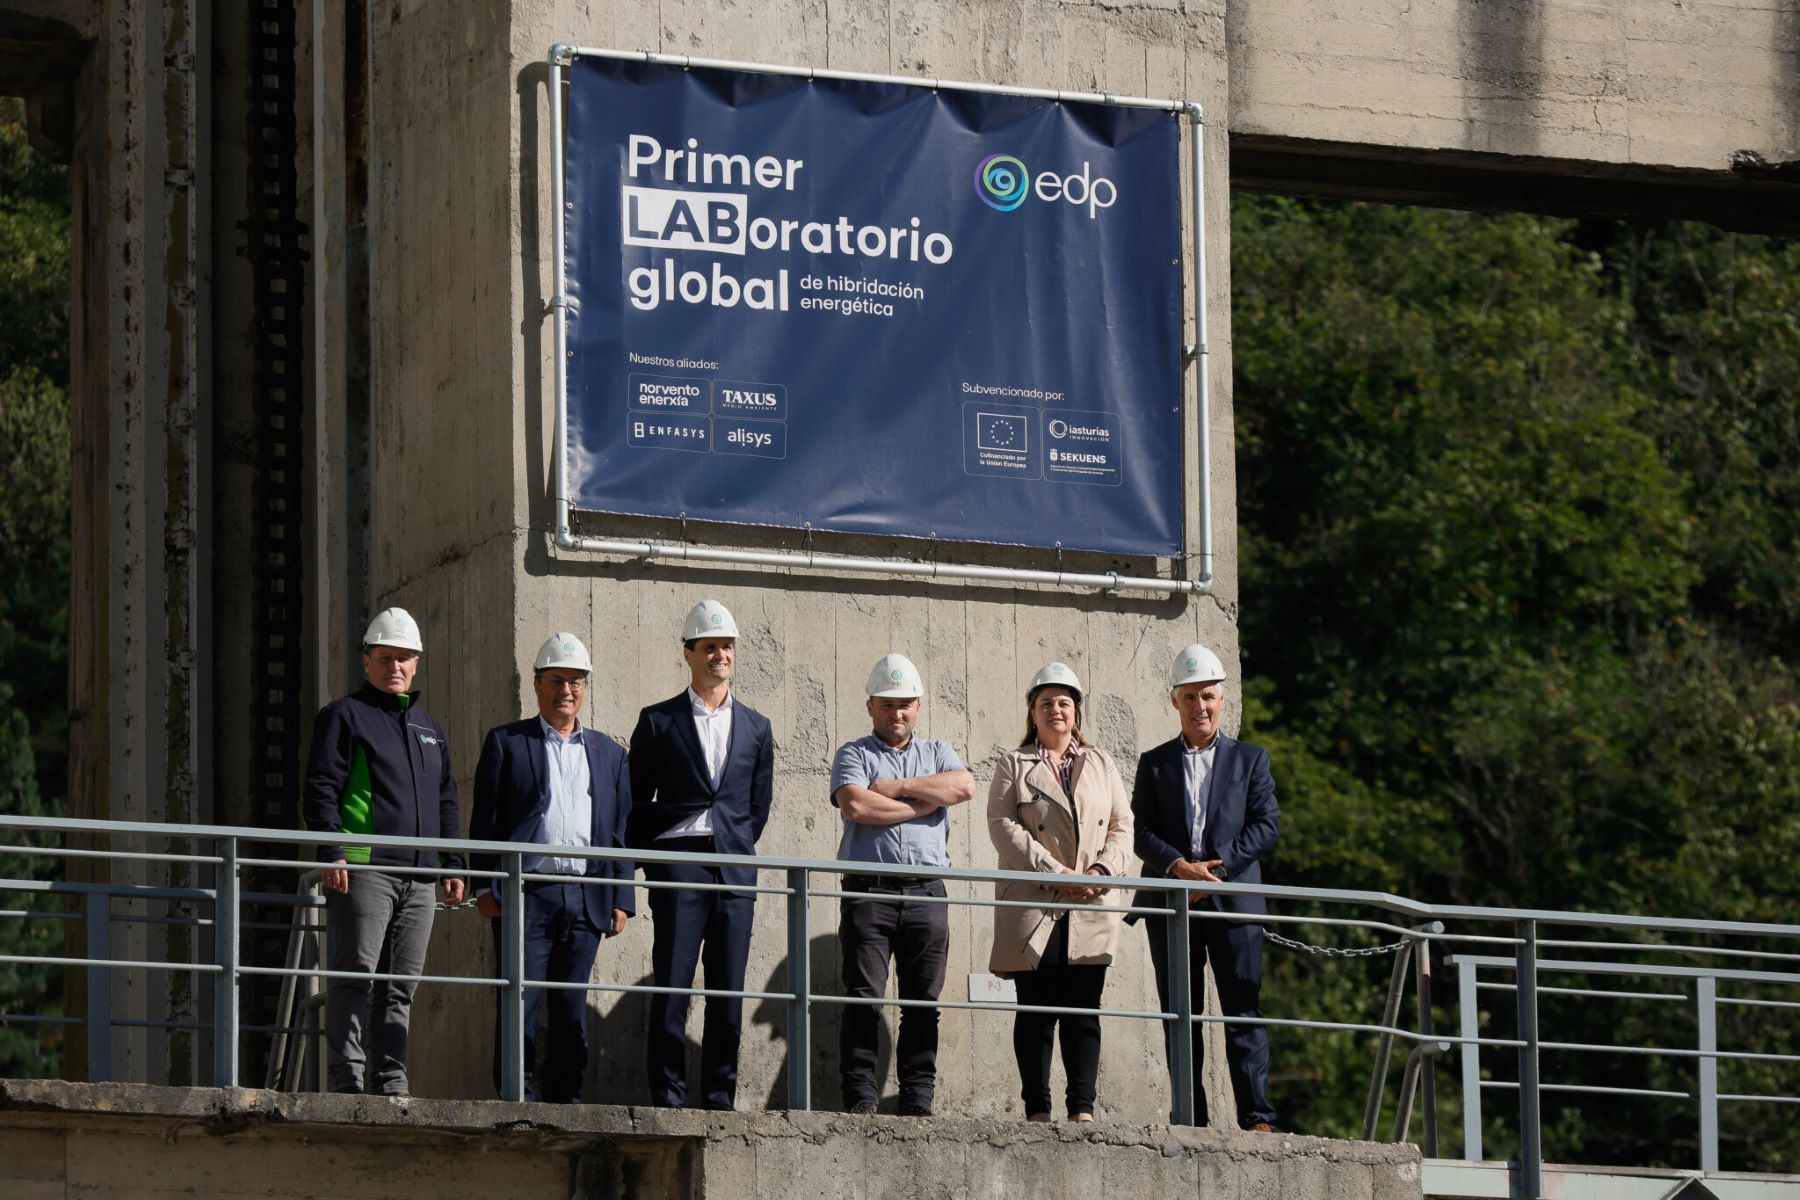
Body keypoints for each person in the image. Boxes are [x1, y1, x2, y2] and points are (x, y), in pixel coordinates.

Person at [302, 606, 465, 1096]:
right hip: (365, 870)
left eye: (404, 658)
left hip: (420, 877)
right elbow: (321, 788)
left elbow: (447, 800)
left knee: (402, 987)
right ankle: (348, 1080)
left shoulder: (430, 729)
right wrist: (332, 850)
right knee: (355, 978)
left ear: (417, 663)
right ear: (366, 661)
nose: (395, 666)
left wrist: (453, 864)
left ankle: (390, 1078)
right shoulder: (343, 716)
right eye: (385, 657)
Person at [469, 632, 634, 1103]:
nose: (567, 690)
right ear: (538, 685)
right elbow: (485, 821)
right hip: (525, 892)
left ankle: (566, 1102)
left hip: (585, 895)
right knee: (518, 1000)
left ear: (585, 688)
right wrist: (485, 885)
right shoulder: (507, 742)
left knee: (569, 1008)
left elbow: (617, 831)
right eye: (556, 680)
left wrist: (622, 897)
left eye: (576, 681)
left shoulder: (610, 754)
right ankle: (515, 1099)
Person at [627, 599, 775, 1110]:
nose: (720, 655)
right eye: (709, 647)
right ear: (688, 653)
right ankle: (667, 1097)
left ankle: (719, 1099)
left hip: (733, 865)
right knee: (672, 985)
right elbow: (634, 802)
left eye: (727, 647)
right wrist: (657, 856)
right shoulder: (657, 721)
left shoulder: (756, 726)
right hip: (679, 861)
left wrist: (733, 842)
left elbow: (758, 806)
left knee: (728, 992)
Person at [1130, 644, 1280, 1132]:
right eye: (1190, 697)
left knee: (1244, 1011)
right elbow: (1140, 831)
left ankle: (1257, 1116)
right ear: (1175, 701)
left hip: (1232, 901)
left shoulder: (1252, 760)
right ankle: (1189, 1118)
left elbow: (1266, 826)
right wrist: (1178, 869)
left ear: (1222, 698)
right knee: (1180, 1014)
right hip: (1172, 904)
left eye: (1208, 696)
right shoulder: (1154, 764)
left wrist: (1215, 870)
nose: (1200, 706)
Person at [986, 661, 1133, 1123]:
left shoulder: (1102, 762)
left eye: (1064, 702)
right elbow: (1001, 825)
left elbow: (1122, 824)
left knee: (1084, 1009)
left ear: (1077, 713)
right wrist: (1055, 870)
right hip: (1038, 899)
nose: (1056, 710)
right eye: (1046, 702)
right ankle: (1037, 1109)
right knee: (1035, 1010)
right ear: (1032, 711)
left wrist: (1103, 868)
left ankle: (1082, 1109)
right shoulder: (1014, 763)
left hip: (1089, 900)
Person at [830, 653, 976, 1116]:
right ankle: (860, 1098)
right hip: (869, 892)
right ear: (871, 706)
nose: (898, 713)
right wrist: (922, 804)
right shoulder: (853, 754)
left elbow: (964, 787)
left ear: (918, 706)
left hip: (927, 892)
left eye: (906, 704)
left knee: (922, 1004)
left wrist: (897, 786)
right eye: (888, 704)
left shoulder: (939, 751)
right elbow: (857, 807)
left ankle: (917, 1099)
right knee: (863, 999)